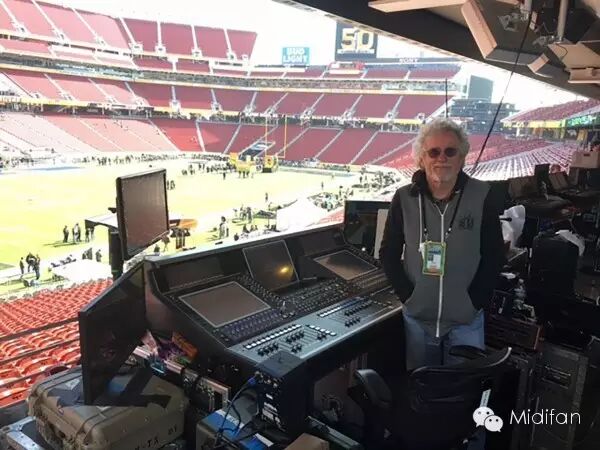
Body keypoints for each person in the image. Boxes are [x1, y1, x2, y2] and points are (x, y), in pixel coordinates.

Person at [380, 118, 504, 370]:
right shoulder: (403, 198)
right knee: (422, 384)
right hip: (417, 319)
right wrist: (409, 297)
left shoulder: (483, 195)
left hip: (466, 320)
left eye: (450, 151)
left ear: (462, 158)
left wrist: (474, 302)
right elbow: (388, 253)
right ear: (421, 159)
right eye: (433, 152)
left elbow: (494, 255)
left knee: (463, 387)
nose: (442, 158)